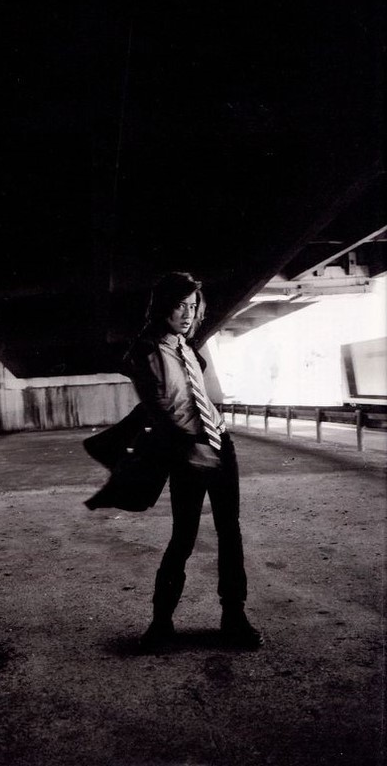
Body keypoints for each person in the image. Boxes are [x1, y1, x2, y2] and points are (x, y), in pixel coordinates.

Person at [91, 271, 263, 650]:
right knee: (184, 536)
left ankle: (234, 616)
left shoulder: (188, 347)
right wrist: (188, 448)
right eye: (179, 306)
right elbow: (158, 412)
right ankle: (161, 623)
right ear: (163, 307)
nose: (187, 314)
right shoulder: (147, 352)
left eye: (192, 306)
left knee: (229, 531)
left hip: (220, 443)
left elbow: (199, 396)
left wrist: (215, 433)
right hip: (188, 451)